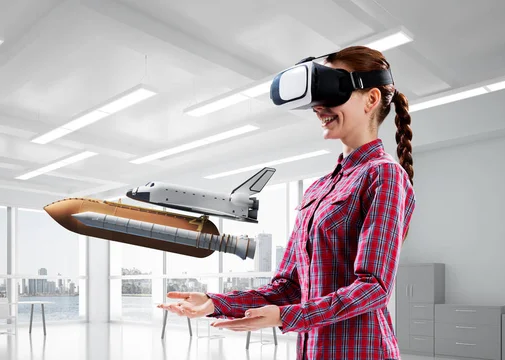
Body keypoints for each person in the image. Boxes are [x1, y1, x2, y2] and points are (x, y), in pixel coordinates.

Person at [158, 45, 415, 360]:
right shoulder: (319, 188)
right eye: (316, 101)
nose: (319, 109)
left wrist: (285, 317)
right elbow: (288, 287)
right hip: (312, 351)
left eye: (331, 93)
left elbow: (373, 288)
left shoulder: (384, 175)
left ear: (371, 99)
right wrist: (216, 303)